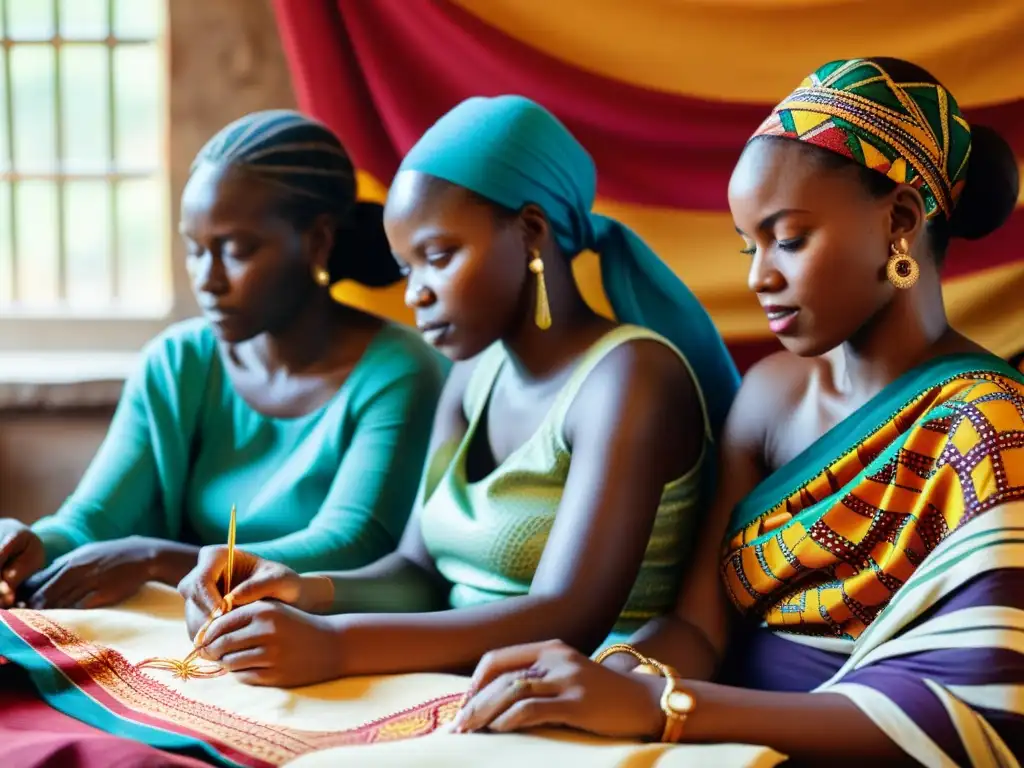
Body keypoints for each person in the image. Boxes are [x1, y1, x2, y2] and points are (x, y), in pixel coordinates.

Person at [450, 59, 1024, 766]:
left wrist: (663, 709)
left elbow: (974, 710)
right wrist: (614, 676)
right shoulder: (767, 395)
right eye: (748, 247)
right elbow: (698, 627)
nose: (759, 276)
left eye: (788, 239)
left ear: (900, 222)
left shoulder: (990, 426)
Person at [176, 95, 740, 687]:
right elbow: (417, 572)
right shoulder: (475, 373)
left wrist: (337, 646)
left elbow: (568, 615)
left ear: (530, 232)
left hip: (583, 692)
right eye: (406, 268)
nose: (416, 292)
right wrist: (294, 586)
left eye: (438, 257)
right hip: (451, 678)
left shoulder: (629, 379)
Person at [0, 110, 447, 611]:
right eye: (195, 250)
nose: (206, 279)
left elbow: (350, 544)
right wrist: (32, 545)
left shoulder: (400, 373)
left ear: (318, 241)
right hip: (186, 642)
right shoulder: (177, 363)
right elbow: (92, 521)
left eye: (234, 250)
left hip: (323, 652)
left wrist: (155, 561)